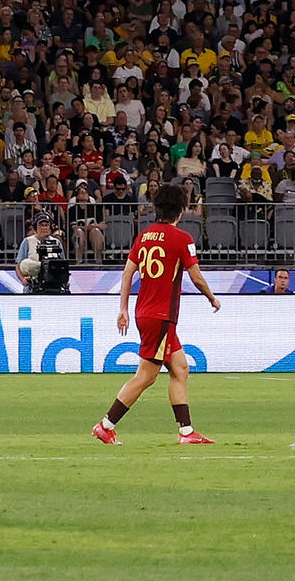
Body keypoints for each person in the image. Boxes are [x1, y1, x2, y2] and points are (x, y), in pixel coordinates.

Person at [90, 178, 221, 447]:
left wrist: (123, 308)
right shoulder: (183, 238)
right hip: (161, 316)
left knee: (181, 369)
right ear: (181, 210)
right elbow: (195, 277)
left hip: (146, 312)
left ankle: (186, 432)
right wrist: (211, 297)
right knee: (146, 376)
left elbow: (128, 272)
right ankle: (106, 425)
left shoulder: (144, 236)